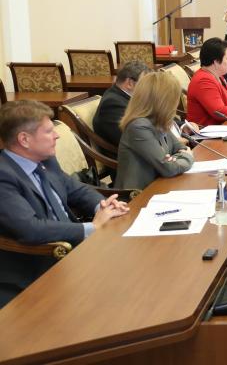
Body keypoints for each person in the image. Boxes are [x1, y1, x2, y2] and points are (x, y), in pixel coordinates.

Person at [0, 100, 129, 307]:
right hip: (39, 267)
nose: (57, 135)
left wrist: (104, 206)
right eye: (49, 131)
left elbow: (75, 189)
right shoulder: (4, 176)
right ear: (24, 139)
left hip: (75, 250)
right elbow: (30, 229)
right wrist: (91, 227)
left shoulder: (45, 160)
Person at [116, 72, 194, 191]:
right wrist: (187, 157)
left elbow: (180, 148)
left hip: (161, 185)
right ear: (163, 101)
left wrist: (175, 159)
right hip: (139, 195)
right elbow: (168, 168)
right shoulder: (138, 127)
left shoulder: (159, 121)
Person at [92, 60, 151, 148]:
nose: (148, 88)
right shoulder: (112, 105)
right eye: (145, 83)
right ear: (130, 83)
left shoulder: (124, 96)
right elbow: (132, 139)